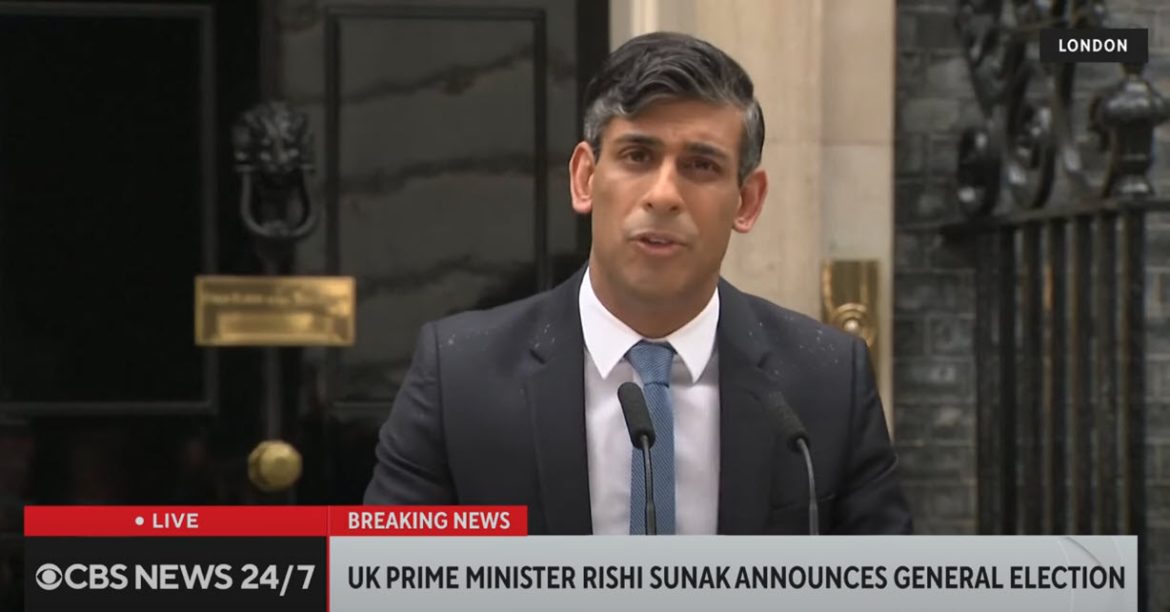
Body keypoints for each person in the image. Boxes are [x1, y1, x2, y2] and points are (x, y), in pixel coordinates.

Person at [364, 31, 913, 535]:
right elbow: (385, 580)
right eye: (637, 156)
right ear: (585, 178)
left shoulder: (826, 381)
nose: (664, 195)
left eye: (701, 166)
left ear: (746, 201)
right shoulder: (461, 375)